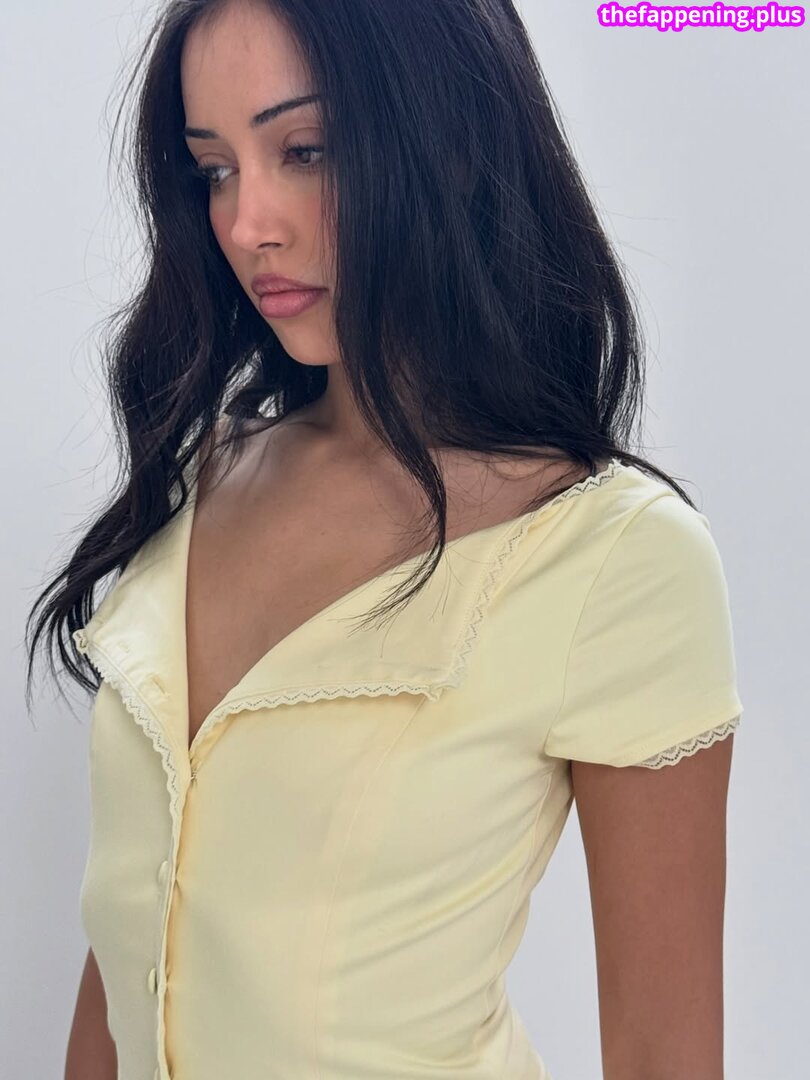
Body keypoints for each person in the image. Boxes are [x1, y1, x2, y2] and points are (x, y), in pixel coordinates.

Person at [23, 1, 743, 1077]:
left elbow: (660, 1054)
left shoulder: (615, 559)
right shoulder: (198, 475)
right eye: (214, 169)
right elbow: (136, 938)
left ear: (451, 140)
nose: (247, 223)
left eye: (305, 151)